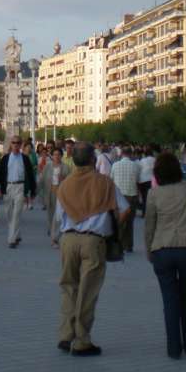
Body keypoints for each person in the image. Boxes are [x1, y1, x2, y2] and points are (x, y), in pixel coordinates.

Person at [55, 141, 130, 356]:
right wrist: (112, 225)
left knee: (69, 287)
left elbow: (59, 216)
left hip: (68, 240)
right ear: (92, 159)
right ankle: (82, 340)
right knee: (87, 292)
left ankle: (65, 334)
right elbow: (124, 210)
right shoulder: (105, 184)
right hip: (93, 241)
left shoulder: (66, 185)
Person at [145, 151, 186, 359]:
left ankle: (173, 349)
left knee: (169, 301)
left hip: (162, 250)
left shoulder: (154, 194)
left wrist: (149, 250)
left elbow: (149, 226)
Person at [0, 136, 37, 248]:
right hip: (8, 187)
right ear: (10, 144)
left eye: (18, 143)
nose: (16, 145)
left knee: (16, 214)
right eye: (13, 143)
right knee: (9, 214)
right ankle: (17, 234)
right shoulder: (6, 158)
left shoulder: (25, 159)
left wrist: (32, 191)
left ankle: (11, 240)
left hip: (20, 187)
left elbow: (31, 175)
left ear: (21, 144)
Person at [109, 147, 141, 252]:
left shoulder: (115, 165)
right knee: (130, 222)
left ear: (121, 154)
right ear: (131, 154)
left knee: (119, 221)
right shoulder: (136, 166)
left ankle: (119, 244)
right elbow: (137, 181)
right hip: (131, 195)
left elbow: (111, 180)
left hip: (119, 197)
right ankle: (129, 245)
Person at [138, 146, 156, 216]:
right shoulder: (155, 160)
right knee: (151, 198)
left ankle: (144, 213)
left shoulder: (142, 160)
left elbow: (139, 170)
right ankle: (150, 213)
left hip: (142, 180)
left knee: (144, 197)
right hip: (151, 181)